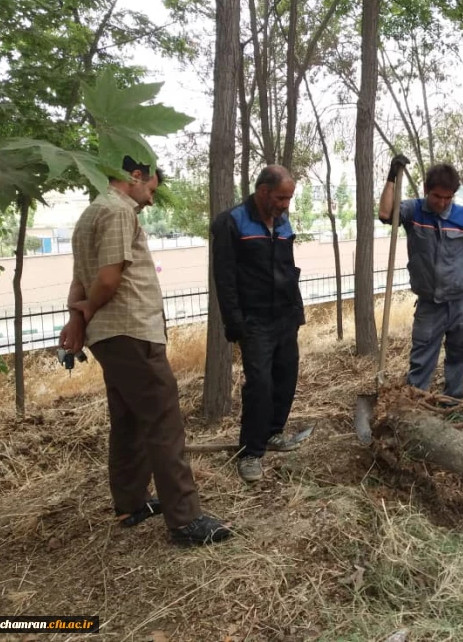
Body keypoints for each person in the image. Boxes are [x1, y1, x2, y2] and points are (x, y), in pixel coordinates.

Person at [59, 156, 232, 546]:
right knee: (163, 421)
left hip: (110, 336)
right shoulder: (118, 211)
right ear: (135, 176)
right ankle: (185, 520)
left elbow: (79, 278)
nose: (151, 200)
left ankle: (131, 503)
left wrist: (78, 318)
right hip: (132, 329)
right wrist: (87, 310)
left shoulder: (90, 215)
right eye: (151, 189)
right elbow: (107, 279)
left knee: (128, 420)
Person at [378, 156, 463, 419]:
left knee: (459, 352)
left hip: (460, 301)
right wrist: (392, 176)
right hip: (429, 303)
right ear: (426, 190)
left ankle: (453, 406)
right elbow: (385, 214)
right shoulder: (413, 211)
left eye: (448, 198)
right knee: (422, 357)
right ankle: (414, 411)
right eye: (437, 197)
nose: (442, 203)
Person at [211, 165, 306, 483]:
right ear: (263, 191)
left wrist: (297, 311)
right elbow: (224, 279)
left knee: (286, 377)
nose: (285, 205)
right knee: (260, 385)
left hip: (285, 316)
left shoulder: (283, 222)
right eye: (280, 198)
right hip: (254, 321)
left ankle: (274, 432)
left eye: (289, 199)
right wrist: (234, 323)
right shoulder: (232, 222)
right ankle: (250, 452)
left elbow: (288, 268)